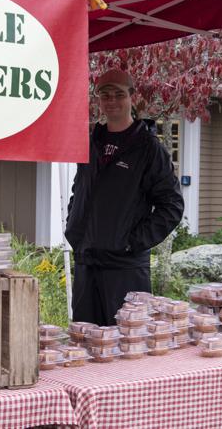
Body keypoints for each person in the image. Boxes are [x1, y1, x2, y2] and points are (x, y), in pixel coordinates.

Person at [65, 69, 185, 326]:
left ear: (132, 97)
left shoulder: (149, 149)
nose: (112, 101)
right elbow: (80, 190)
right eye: (105, 95)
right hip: (87, 263)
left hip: (125, 269)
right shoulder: (91, 143)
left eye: (119, 94)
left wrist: (132, 242)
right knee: (86, 344)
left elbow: (172, 206)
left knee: (126, 345)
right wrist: (75, 230)